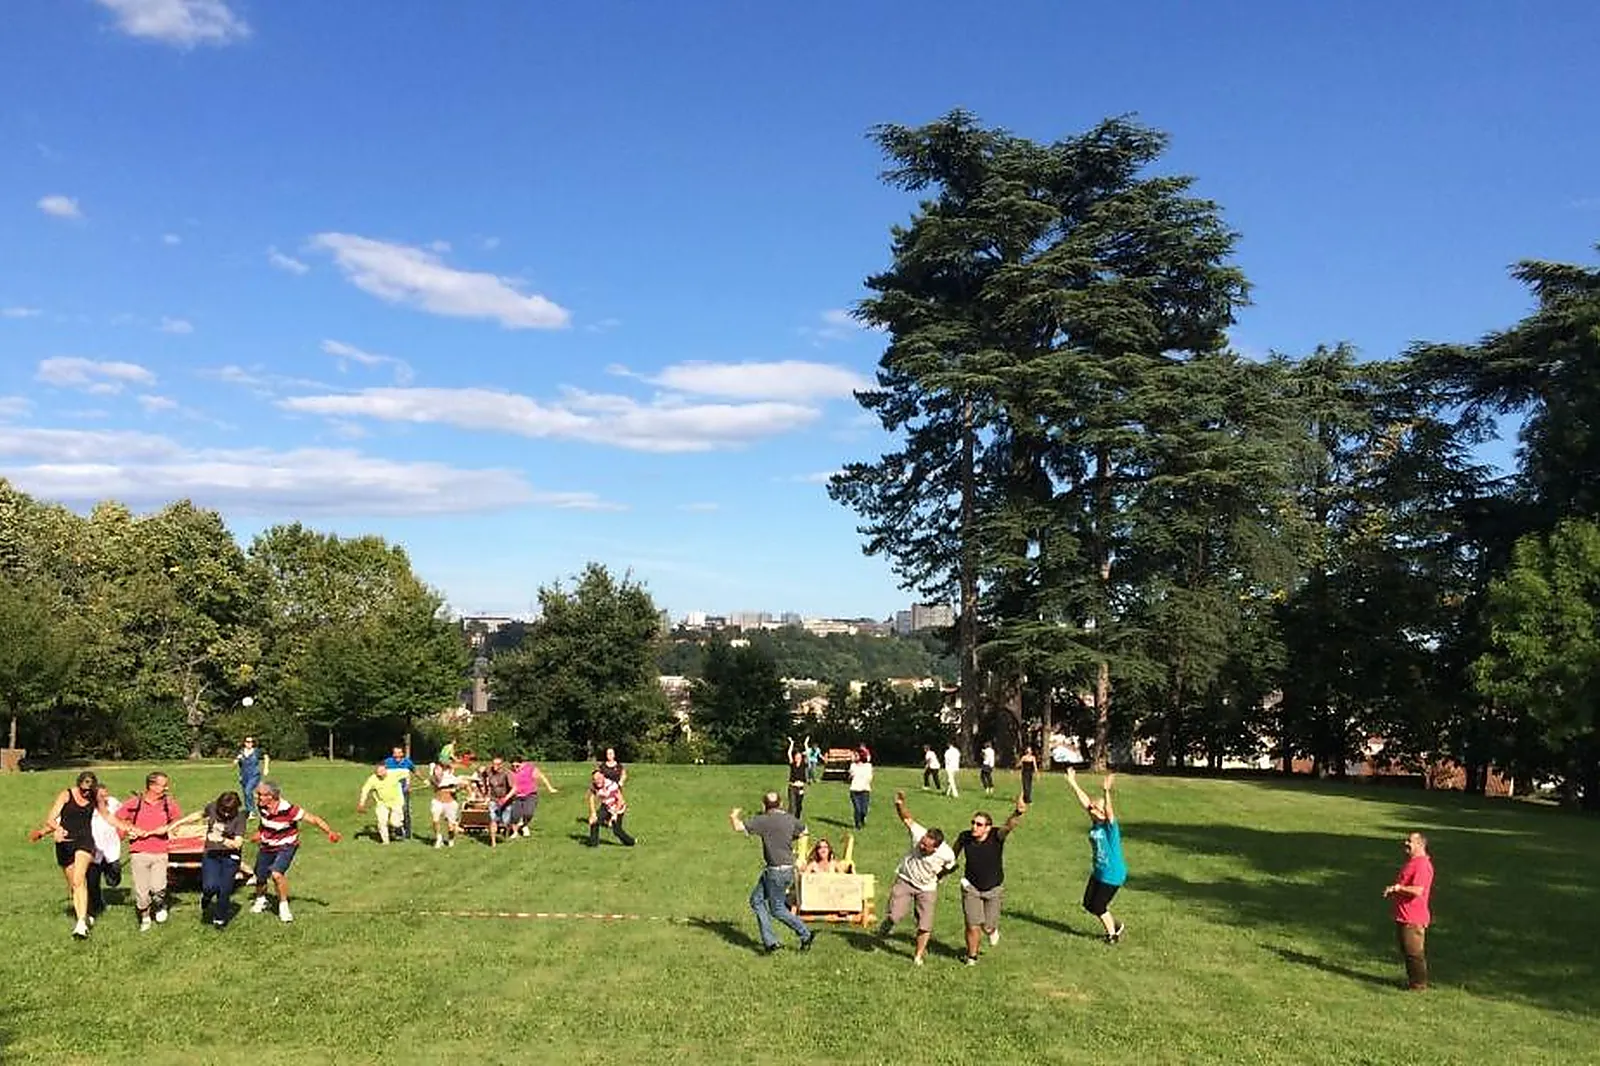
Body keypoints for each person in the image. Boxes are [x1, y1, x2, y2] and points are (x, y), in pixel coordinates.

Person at [29, 771, 129, 939]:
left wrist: (127, 827)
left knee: (79, 879)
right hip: (65, 843)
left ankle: (81, 924)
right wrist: (55, 829)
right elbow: (51, 819)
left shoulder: (95, 797)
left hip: (85, 841)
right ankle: (85, 912)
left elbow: (107, 815)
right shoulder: (66, 795)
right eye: (83, 790)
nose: (86, 793)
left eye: (90, 790)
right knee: (74, 885)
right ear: (78, 785)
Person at [875, 790, 956, 966]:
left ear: (935, 848)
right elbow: (907, 818)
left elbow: (950, 867)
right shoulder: (919, 834)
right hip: (905, 879)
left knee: (925, 924)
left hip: (927, 887)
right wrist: (899, 804)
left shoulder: (946, 854)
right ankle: (886, 926)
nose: (921, 846)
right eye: (922, 843)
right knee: (895, 915)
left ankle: (918, 956)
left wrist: (939, 876)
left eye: (926, 846)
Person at [730, 791, 814, 954]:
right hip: (786, 870)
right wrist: (800, 854)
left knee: (777, 909)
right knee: (756, 900)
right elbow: (804, 830)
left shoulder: (763, 820)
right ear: (781, 804)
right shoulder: (790, 819)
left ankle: (805, 934)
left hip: (776, 872)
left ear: (764, 805)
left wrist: (733, 815)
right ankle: (770, 942)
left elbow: (738, 826)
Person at [249, 780, 340, 923]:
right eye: (258, 794)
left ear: (271, 796)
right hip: (267, 845)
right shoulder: (262, 806)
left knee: (277, 874)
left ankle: (283, 907)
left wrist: (329, 832)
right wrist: (260, 833)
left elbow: (314, 819)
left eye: (261, 794)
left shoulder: (288, 809)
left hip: (286, 846)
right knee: (260, 875)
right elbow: (265, 822)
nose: (258, 797)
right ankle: (261, 900)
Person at [952, 799, 1026, 965]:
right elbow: (952, 854)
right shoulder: (965, 837)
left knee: (987, 926)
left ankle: (992, 930)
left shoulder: (996, 836)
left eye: (979, 824)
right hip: (971, 887)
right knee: (972, 924)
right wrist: (943, 870)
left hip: (993, 889)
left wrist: (1017, 813)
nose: (974, 827)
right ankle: (972, 957)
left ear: (987, 827)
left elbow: (1008, 826)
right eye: (973, 823)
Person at [165, 791, 246, 928]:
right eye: (223, 811)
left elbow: (238, 843)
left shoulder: (240, 817)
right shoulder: (213, 807)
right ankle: (207, 896)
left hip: (230, 857)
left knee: (224, 889)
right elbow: (198, 815)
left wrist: (221, 840)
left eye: (230, 812)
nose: (226, 814)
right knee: (210, 886)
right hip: (212, 854)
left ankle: (219, 918)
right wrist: (178, 823)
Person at [1066, 767, 1126, 942]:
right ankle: (1115, 925)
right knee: (1088, 904)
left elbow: (1109, 811)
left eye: (1096, 808)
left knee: (1098, 906)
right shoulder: (1096, 823)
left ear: (1103, 813)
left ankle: (1112, 936)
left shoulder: (1110, 828)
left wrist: (1106, 791)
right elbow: (1086, 802)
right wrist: (1073, 782)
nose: (1092, 809)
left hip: (1113, 873)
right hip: (1099, 872)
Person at [120, 771, 183, 932]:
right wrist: (128, 830)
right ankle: (145, 917)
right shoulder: (134, 803)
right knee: (142, 892)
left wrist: (166, 828)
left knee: (158, 887)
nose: (166, 788)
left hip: (160, 851)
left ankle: (160, 905)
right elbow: (118, 820)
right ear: (152, 786)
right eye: (163, 785)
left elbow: (178, 821)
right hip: (139, 852)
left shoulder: (169, 803)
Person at [1383, 831, 1435, 990]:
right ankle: (1413, 982)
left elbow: (1418, 890)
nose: (1405, 843)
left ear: (1420, 845)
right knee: (1407, 951)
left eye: (1409, 841)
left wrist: (1399, 888)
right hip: (1404, 915)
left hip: (1413, 918)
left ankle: (1419, 985)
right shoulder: (1413, 862)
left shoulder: (1422, 865)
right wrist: (1394, 890)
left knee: (1414, 953)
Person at [87, 784, 124, 921]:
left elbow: (124, 814)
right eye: (101, 795)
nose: (105, 797)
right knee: (92, 881)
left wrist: (123, 829)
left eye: (106, 794)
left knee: (114, 876)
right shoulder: (88, 808)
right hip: (93, 849)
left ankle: (113, 877)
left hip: (111, 847)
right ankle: (98, 905)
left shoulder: (113, 803)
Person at [357, 763, 406, 845]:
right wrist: (361, 803)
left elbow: (408, 772)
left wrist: (407, 784)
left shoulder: (394, 773)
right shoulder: (373, 779)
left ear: (386, 770)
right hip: (382, 803)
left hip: (397, 802)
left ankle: (399, 828)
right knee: (381, 822)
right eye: (378, 773)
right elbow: (365, 790)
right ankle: (385, 841)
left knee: (395, 822)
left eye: (382, 772)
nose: (381, 774)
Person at [509, 757, 558, 837]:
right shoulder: (510, 772)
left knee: (528, 813)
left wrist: (550, 788)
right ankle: (515, 832)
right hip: (517, 796)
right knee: (515, 815)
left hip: (530, 794)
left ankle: (524, 825)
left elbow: (542, 777)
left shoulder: (530, 769)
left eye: (517, 766)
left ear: (522, 764)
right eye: (513, 766)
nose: (515, 768)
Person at [586, 769, 636, 847]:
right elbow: (591, 798)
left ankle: (631, 842)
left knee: (616, 830)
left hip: (618, 808)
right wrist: (593, 813)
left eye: (599, 778)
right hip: (606, 806)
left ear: (603, 777)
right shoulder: (594, 785)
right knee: (594, 821)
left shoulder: (612, 785)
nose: (597, 781)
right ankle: (593, 844)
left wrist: (614, 814)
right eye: (594, 779)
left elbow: (620, 800)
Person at [382, 745, 417, 840]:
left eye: (399, 753)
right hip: (391, 791)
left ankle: (407, 832)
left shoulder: (407, 762)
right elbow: (380, 772)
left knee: (405, 810)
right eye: (395, 753)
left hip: (404, 790)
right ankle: (393, 831)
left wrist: (424, 780)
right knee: (391, 811)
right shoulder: (387, 762)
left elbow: (415, 771)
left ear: (402, 754)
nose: (397, 755)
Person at [428, 758, 464, 848]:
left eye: (439, 769)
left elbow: (462, 785)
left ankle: (451, 839)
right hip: (437, 801)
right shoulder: (434, 778)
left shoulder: (451, 777)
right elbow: (436, 783)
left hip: (450, 802)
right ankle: (438, 838)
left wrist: (456, 789)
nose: (437, 771)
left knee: (451, 825)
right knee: (435, 820)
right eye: (436, 770)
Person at [480, 756, 516, 848]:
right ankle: (493, 842)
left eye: (497, 764)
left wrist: (506, 798)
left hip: (506, 801)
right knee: (492, 819)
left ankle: (506, 831)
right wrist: (485, 790)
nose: (495, 766)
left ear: (501, 765)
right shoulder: (489, 770)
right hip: (493, 799)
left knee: (505, 821)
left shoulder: (507, 773)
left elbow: (514, 788)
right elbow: (482, 773)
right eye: (493, 764)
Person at [236, 735, 269, 818]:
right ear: (244, 743)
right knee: (245, 793)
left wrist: (266, 768)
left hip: (254, 774)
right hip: (244, 775)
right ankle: (249, 810)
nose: (249, 743)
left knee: (248, 791)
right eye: (247, 742)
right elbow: (238, 763)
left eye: (251, 742)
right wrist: (237, 760)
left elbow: (266, 757)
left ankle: (252, 811)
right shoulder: (241, 752)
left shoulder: (257, 751)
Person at [847, 748, 873, 830]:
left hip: (865, 790)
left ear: (861, 756)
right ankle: (857, 825)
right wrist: (850, 776)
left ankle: (862, 819)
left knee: (864, 810)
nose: (854, 757)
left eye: (856, 755)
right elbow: (850, 777)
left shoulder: (868, 766)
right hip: (854, 790)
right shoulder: (853, 766)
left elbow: (870, 777)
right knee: (857, 809)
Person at [784, 738, 807, 819]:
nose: (797, 758)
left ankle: (797, 821)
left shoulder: (803, 764)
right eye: (796, 757)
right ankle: (790, 820)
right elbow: (789, 753)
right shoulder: (792, 764)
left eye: (799, 757)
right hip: (792, 788)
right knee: (792, 806)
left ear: (801, 758)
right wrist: (791, 743)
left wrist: (805, 744)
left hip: (800, 788)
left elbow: (807, 753)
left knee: (799, 807)